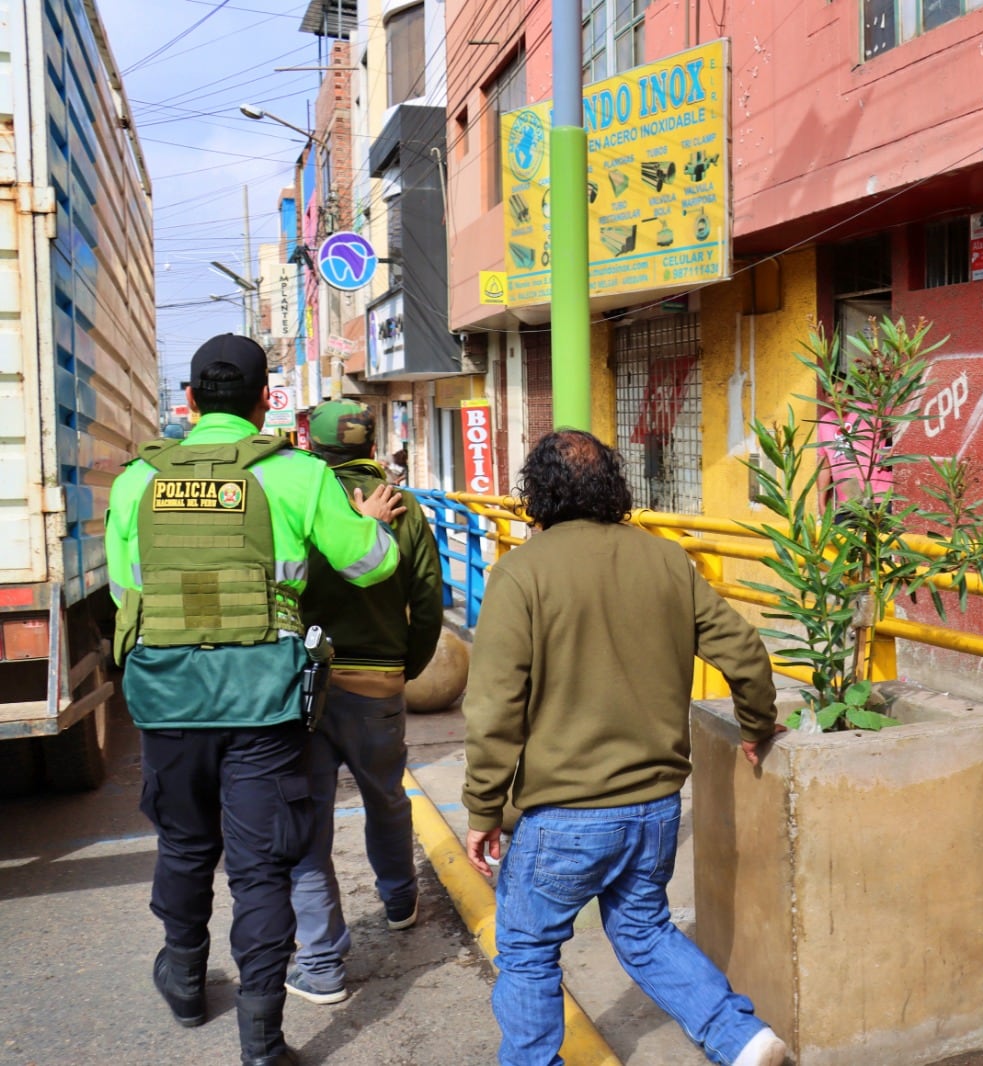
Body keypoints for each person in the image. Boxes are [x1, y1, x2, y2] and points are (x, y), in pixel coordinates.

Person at [107, 335, 403, 1066]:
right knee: (261, 867)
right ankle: (263, 1041)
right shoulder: (297, 473)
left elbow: (124, 592)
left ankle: (184, 979)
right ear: (265, 401)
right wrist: (376, 526)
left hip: (169, 699)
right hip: (266, 702)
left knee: (183, 845)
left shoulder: (135, 482)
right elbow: (371, 566)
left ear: (190, 402)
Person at [461, 430, 788, 1066]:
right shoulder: (665, 560)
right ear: (612, 486)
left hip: (563, 813)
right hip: (655, 808)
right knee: (643, 931)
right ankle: (742, 1038)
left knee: (527, 949)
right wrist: (756, 725)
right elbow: (746, 652)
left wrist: (483, 810)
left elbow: (494, 708)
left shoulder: (520, 573)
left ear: (538, 494)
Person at [283, 400, 445, 1005]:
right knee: (386, 796)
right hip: (379, 679)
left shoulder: (300, 496)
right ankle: (400, 900)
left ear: (313, 446)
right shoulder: (406, 507)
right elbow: (427, 597)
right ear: (372, 447)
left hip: (307, 682)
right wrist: (408, 667)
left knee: (309, 817)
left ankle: (321, 959)